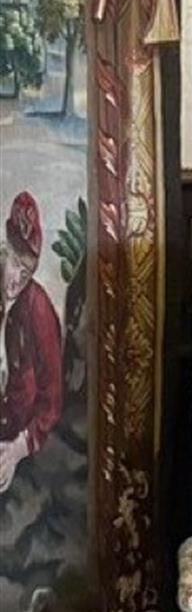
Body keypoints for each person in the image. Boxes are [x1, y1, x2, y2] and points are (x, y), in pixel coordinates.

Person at [0, 191, 63, 493]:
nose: (16, 281)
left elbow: (51, 399)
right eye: (14, 265)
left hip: (20, 444)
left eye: (25, 273)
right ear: (4, 252)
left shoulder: (39, 310)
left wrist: (17, 450)